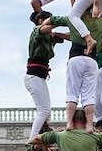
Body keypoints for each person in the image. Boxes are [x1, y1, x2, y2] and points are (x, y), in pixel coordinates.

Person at [24, 10, 69, 140]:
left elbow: (69, 36)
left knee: (47, 112)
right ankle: (33, 138)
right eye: (50, 21)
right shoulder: (36, 32)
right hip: (33, 77)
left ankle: (43, 133)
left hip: (40, 78)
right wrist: (63, 21)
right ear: (41, 21)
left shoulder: (49, 37)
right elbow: (45, 29)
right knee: (43, 110)